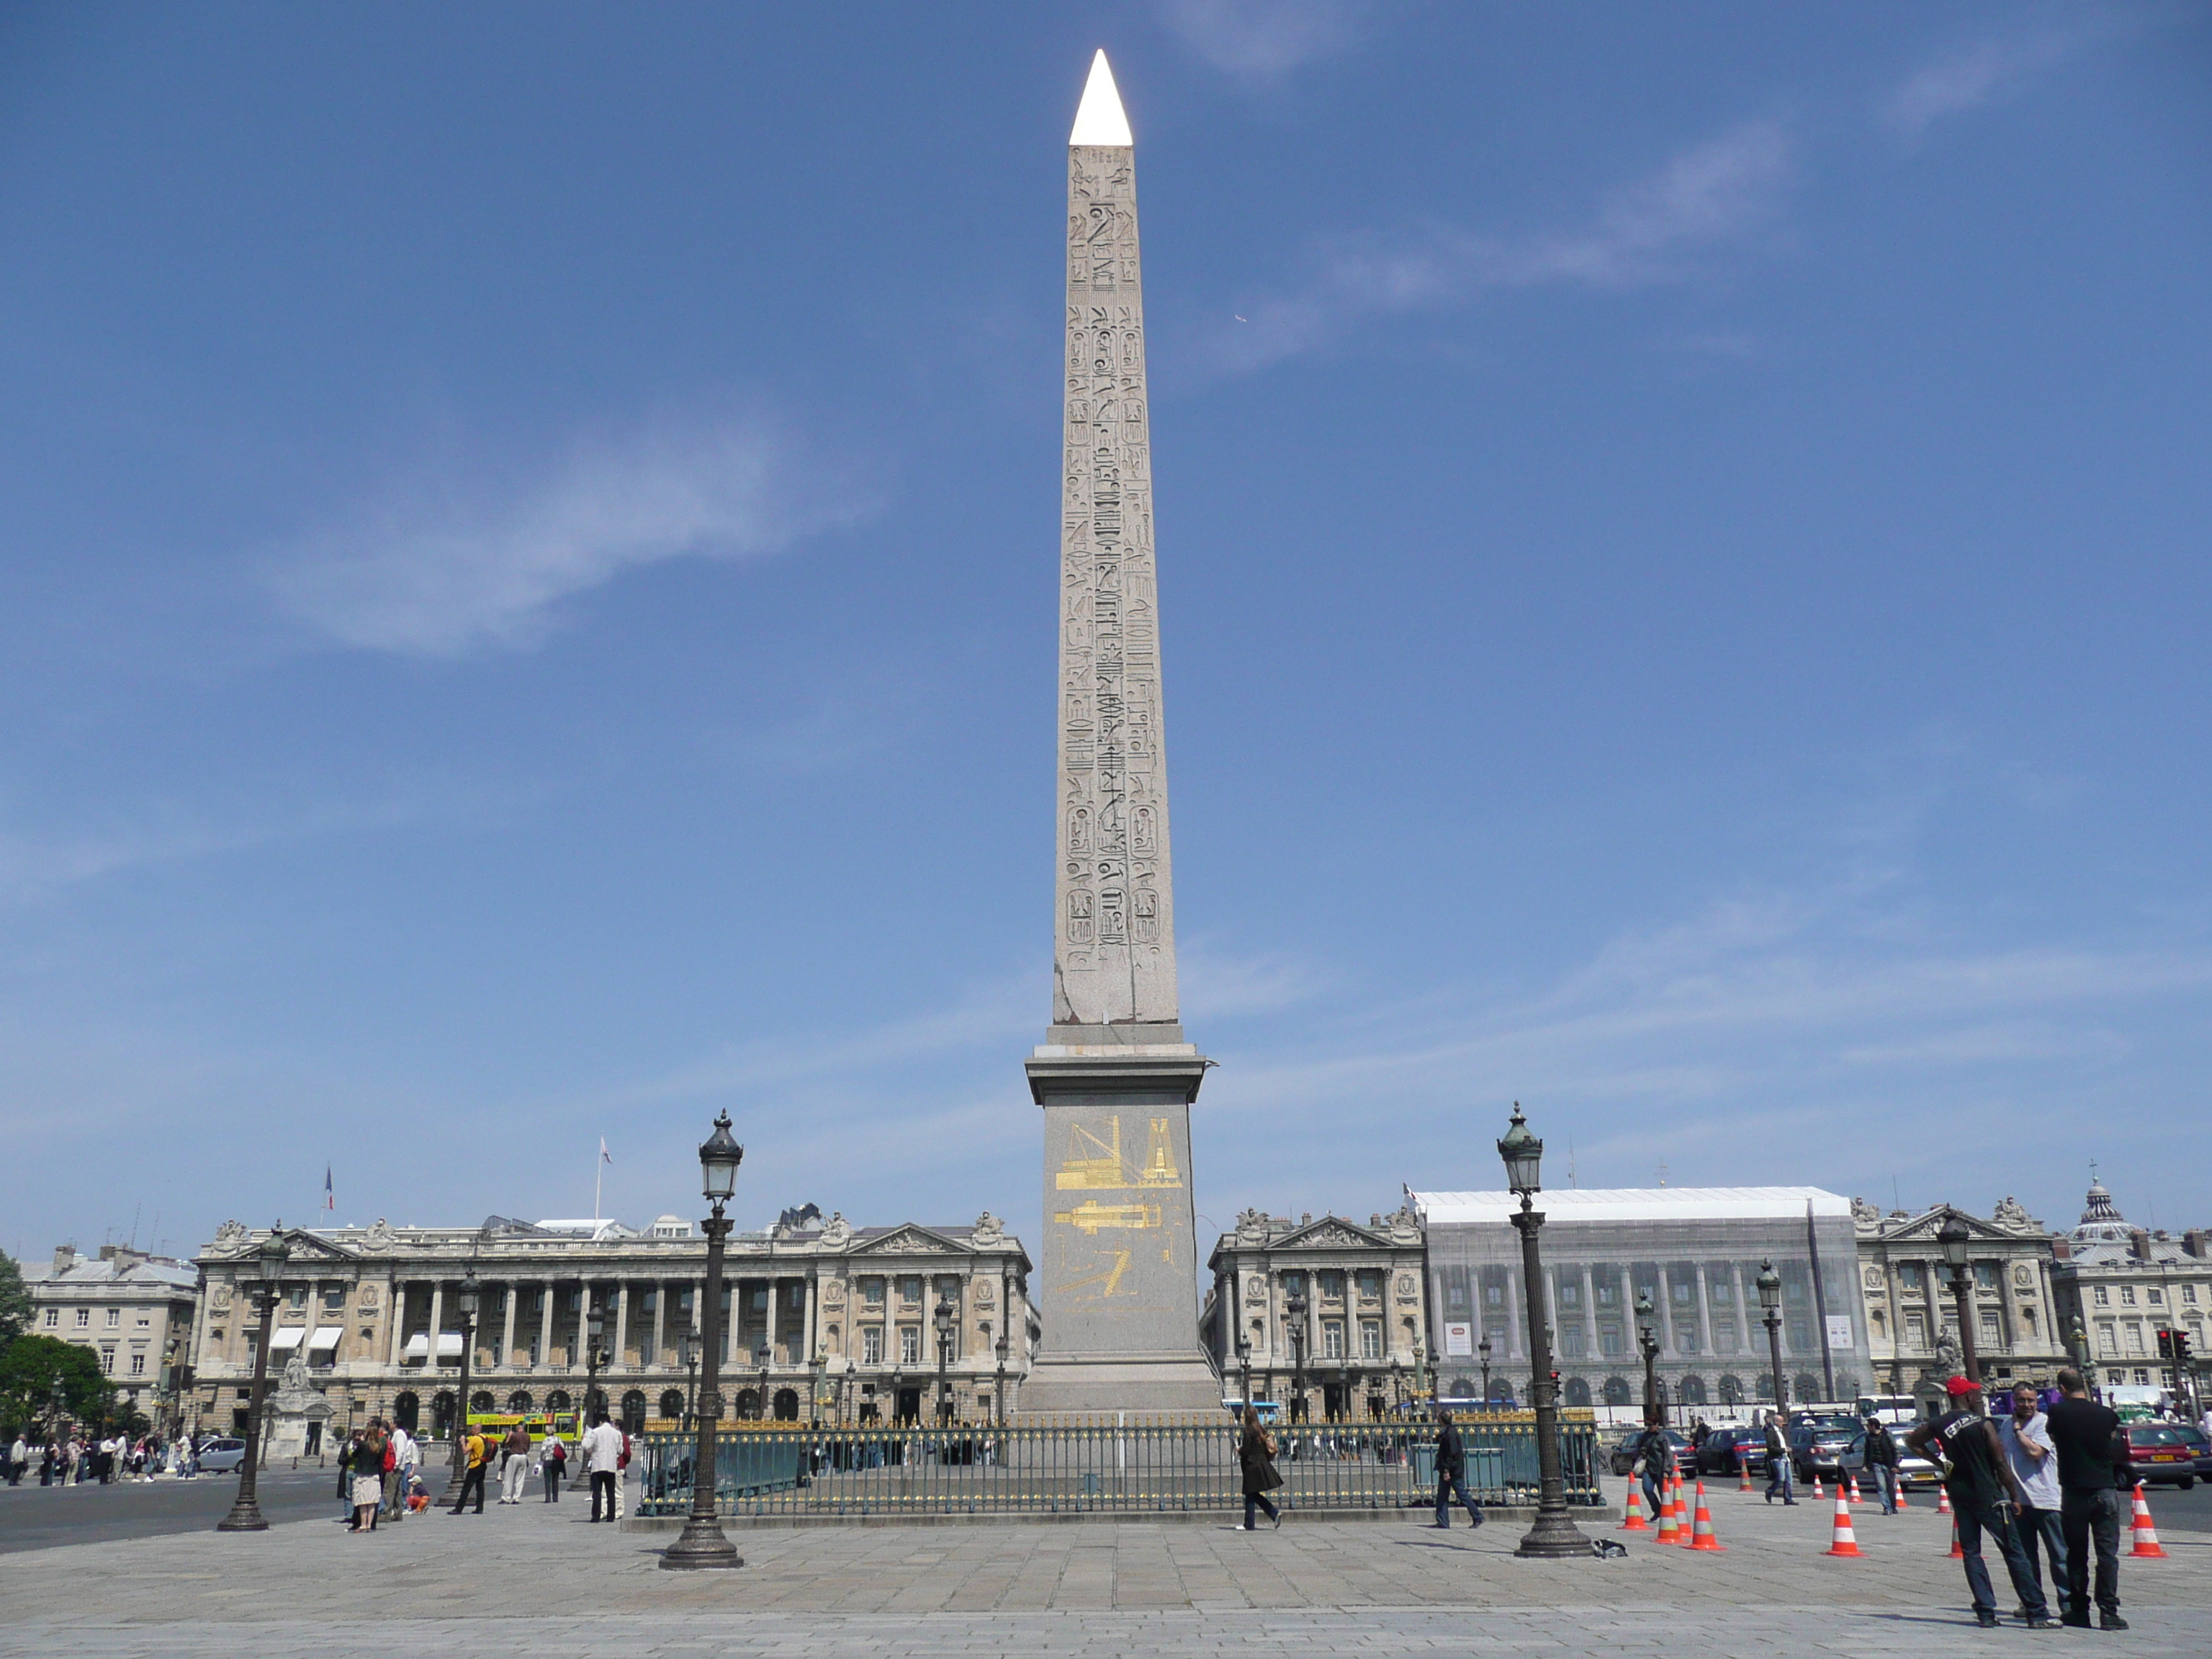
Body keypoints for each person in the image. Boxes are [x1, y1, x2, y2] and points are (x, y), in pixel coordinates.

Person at [1908, 1377, 2059, 1629]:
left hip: (1960, 1494)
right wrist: (2013, 1495)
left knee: (1972, 1553)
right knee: (2014, 1553)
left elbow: (1912, 1442)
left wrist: (1939, 1463)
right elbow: (2000, 1463)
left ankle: (1986, 1612)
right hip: (1989, 1495)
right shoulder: (1983, 1424)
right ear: (1965, 1397)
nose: (1975, 1398)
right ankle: (2036, 1612)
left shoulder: (1938, 1423)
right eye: (1972, 1394)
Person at [2046, 1367, 2130, 1631]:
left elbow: (2052, 1436)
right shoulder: (2107, 1415)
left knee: (2076, 1554)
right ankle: (2108, 1612)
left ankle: (2079, 1610)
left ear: (2062, 1389)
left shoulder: (2058, 1412)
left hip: (2073, 1491)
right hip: (2104, 1489)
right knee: (2107, 1555)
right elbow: (2113, 1442)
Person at [1997, 1383, 2066, 1617]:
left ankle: (2067, 1604)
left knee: (2059, 1556)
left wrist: (2019, 1432)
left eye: (2031, 1400)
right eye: (2021, 1400)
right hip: (2018, 1502)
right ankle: (2032, 1603)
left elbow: (2034, 1452)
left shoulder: (2043, 1423)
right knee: (2026, 1559)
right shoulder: (2006, 1425)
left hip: (2046, 1500)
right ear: (2013, 1402)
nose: (2026, 1405)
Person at [1431, 1408, 1485, 1529]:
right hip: (1449, 1469)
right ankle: (1442, 1521)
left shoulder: (1450, 1434)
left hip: (1452, 1471)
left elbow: (1452, 1454)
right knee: (1442, 1496)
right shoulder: (1448, 1432)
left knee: (1462, 1494)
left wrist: (1446, 1470)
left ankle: (1478, 1516)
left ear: (1441, 1419)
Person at [1236, 1406, 1282, 1530]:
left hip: (1251, 1465)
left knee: (1250, 1493)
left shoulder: (1248, 1430)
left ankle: (1252, 1523)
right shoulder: (1261, 1429)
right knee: (1252, 1494)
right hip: (1261, 1463)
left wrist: (1239, 1449)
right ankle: (1271, 1515)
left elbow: (1246, 1450)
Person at [1629, 1414, 1673, 1524]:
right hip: (1648, 1468)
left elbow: (1668, 1454)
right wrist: (1640, 1452)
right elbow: (1637, 1450)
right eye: (1648, 1425)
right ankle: (1657, 1509)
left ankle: (1667, 1514)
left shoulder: (1662, 1438)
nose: (1650, 1427)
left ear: (1657, 1425)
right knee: (1647, 1489)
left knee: (1664, 1494)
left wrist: (1667, 1470)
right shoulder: (1645, 1436)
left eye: (1652, 1425)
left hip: (1660, 1469)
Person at [581, 1413, 624, 1522]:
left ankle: (595, 1517)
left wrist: (585, 1438)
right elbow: (620, 1450)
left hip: (598, 1465)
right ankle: (611, 1516)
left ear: (600, 1422)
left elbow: (587, 1446)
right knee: (611, 1493)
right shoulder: (617, 1433)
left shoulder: (596, 1432)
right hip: (611, 1465)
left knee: (597, 1493)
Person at [350, 1422, 389, 1534]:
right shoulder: (379, 1446)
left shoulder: (363, 1445)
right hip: (374, 1475)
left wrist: (361, 1441)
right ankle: (369, 1525)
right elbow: (380, 1460)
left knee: (363, 1502)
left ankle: (363, 1524)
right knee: (372, 1502)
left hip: (362, 1475)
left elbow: (354, 1455)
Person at [1862, 1415, 1901, 1516]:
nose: (1867, 1428)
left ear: (1874, 1426)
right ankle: (1887, 1508)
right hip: (1876, 1464)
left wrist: (1895, 1465)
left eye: (1868, 1426)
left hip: (1889, 1465)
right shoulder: (1869, 1438)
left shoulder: (1886, 1435)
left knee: (1891, 1487)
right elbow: (1867, 1452)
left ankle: (1893, 1507)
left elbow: (1895, 1450)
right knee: (1881, 1487)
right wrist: (1866, 1465)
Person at [449, 1421, 489, 1515]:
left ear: (475, 1430)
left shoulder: (475, 1439)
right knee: (480, 1487)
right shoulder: (484, 1438)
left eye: (472, 1429)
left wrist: (463, 1442)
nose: (471, 1431)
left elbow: (465, 1451)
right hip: (483, 1464)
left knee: (466, 1488)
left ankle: (459, 1508)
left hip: (475, 1465)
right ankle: (480, 1508)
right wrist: (467, 1439)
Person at [383, 1421, 414, 1522]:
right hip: (399, 1466)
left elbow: (400, 1451)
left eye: (392, 1422)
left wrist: (395, 1465)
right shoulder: (398, 1434)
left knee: (390, 1491)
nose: (390, 1424)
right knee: (397, 1492)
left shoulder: (399, 1435)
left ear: (395, 1424)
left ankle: (387, 1514)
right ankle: (398, 1514)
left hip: (396, 1467)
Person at [1763, 1410, 1796, 1505]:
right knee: (1781, 1478)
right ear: (1776, 1422)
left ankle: (1788, 1499)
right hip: (1777, 1458)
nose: (1783, 1424)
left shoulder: (1780, 1432)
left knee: (1789, 1480)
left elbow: (1782, 1444)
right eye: (1781, 1422)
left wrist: (1787, 1451)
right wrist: (1783, 1450)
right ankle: (1769, 1491)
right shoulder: (1771, 1432)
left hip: (1785, 1458)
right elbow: (1770, 1447)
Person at [498, 1424, 532, 1504]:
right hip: (523, 1456)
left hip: (514, 1456)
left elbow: (506, 1445)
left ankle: (506, 1497)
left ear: (518, 1427)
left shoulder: (514, 1435)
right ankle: (516, 1498)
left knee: (509, 1477)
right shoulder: (528, 1436)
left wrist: (509, 1436)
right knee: (520, 1478)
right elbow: (528, 1447)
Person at [539, 1429, 567, 1501]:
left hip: (547, 1460)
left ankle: (548, 1498)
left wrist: (542, 1458)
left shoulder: (546, 1440)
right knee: (555, 1479)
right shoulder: (558, 1439)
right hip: (556, 1461)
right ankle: (555, 1498)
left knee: (547, 1480)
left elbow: (543, 1450)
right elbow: (563, 1447)